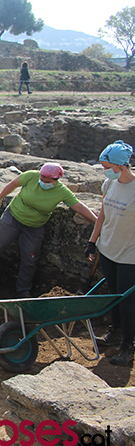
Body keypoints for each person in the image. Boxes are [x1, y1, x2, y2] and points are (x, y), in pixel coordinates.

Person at [0, 162, 97, 298]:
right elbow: (13, 184)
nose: (42, 182)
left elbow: (79, 207)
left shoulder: (61, 191)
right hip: (13, 217)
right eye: (42, 179)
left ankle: (23, 291)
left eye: (47, 181)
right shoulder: (31, 176)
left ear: (55, 180)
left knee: (30, 259)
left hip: (35, 227)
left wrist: (96, 220)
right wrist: (0, 197)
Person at [85, 141, 135, 366]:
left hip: (129, 255)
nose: (105, 170)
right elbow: (102, 216)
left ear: (120, 166)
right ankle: (114, 333)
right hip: (108, 249)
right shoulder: (109, 184)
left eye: (107, 166)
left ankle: (127, 346)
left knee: (128, 302)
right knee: (113, 295)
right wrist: (92, 241)